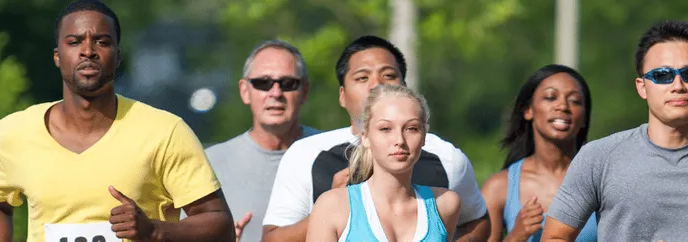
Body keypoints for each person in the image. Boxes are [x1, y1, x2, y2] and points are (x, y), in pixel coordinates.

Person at [0, 1, 234, 241]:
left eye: (102, 42)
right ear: (57, 56)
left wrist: (155, 230)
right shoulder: (15, 133)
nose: (88, 51)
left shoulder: (165, 132)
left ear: (118, 56)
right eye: (74, 42)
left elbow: (221, 226)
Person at [542, 20, 688, 242]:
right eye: (662, 76)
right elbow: (555, 237)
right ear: (642, 87)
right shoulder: (598, 157)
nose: (677, 86)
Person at [262, 35, 489, 242]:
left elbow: (477, 221)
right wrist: (340, 204)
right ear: (342, 95)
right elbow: (272, 239)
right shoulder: (306, 154)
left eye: (389, 75)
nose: (376, 85)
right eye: (362, 77)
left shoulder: (447, 158)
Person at [306, 85, 460, 241]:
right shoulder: (332, 207)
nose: (399, 140)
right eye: (386, 129)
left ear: (424, 137)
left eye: (411, 128)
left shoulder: (445, 204)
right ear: (365, 137)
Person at [206, 39, 324, 242]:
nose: (276, 93)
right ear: (245, 91)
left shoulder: (335, 154)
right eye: (263, 83)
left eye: (288, 84)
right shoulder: (210, 163)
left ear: (304, 91)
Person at [481, 64, 598, 241]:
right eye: (551, 97)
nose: (563, 106)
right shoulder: (499, 187)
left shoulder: (602, 182)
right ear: (528, 111)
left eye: (575, 101)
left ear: (584, 118)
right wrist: (515, 236)